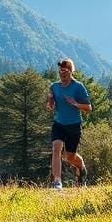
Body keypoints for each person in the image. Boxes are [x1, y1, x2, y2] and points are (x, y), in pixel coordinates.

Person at [46, 58, 92, 189]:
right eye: (60, 71)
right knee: (56, 148)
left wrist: (76, 104)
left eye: (65, 71)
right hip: (59, 123)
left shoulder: (78, 87)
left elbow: (88, 107)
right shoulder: (54, 86)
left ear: (71, 71)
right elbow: (50, 100)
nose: (62, 74)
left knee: (69, 157)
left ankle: (81, 167)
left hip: (74, 125)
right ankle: (57, 182)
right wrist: (49, 103)